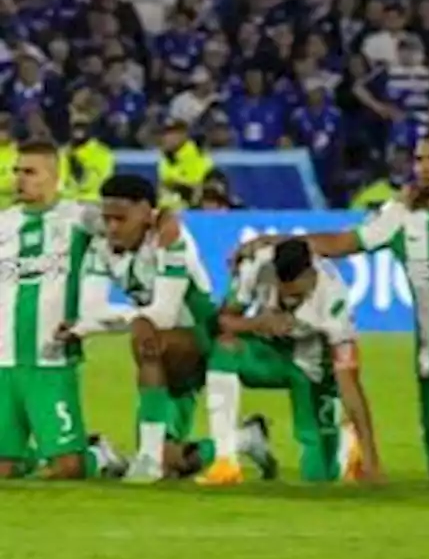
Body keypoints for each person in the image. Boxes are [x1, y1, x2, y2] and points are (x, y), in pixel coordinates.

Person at [236, 128, 429, 487]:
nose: (424, 167)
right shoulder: (401, 215)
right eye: (420, 159)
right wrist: (275, 241)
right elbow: (341, 242)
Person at [62, 173, 265, 482]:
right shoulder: (102, 243)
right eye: (108, 218)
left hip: (198, 340)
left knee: (147, 336)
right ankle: (245, 439)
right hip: (162, 349)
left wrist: (104, 325)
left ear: (146, 212)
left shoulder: (171, 241)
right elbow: (92, 309)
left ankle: (140, 459)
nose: (113, 227)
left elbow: (166, 314)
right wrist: (100, 323)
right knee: (174, 463)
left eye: (121, 218)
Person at [201, 238, 382, 485]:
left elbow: (350, 382)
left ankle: (347, 446)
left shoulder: (334, 303)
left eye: (296, 295)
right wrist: (257, 323)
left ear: (311, 275)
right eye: (282, 292)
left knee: (319, 476)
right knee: (223, 350)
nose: (287, 301)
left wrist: (372, 459)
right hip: (268, 353)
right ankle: (224, 462)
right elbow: (222, 321)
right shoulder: (257, 265)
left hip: (312, 370)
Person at [0, 142, 98, 479]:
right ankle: (26, 456)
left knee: (68, 469)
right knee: (3, 470)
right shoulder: (3, 224)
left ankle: (100, 454)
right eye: (17, 171)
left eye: (30, 172)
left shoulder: (81, 219)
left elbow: (133, 222)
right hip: (3, 360)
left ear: (54, 176)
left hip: (51, 358)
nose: (20, 179)